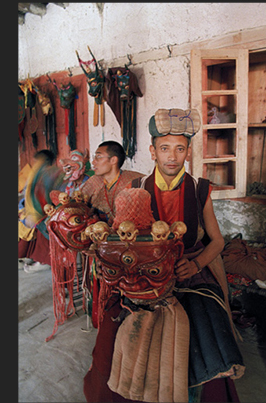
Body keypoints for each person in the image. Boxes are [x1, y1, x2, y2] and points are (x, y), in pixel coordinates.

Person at [83, 109, 244, 402]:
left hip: (190, 271)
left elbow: (217, 242)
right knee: (112, 325)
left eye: (180, 148)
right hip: (143, 276)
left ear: (188, 152)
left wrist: (195, 265)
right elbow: (123, 240)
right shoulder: (135, 188)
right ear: (153, 151)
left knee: (206, 324)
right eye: (165, 148)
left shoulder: (199, 190)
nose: (173, 156)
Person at [18, 149, 63, 272]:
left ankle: (44, 261)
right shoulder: (37, 173)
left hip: (47, 211)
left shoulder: (52, 173)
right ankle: (30, 257)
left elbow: (52, 194)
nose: (36, 163)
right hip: (36, 209)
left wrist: (35, 211)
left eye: (38, 160)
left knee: (40, 227)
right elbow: (29, 193)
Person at [80, 141, 143, 226]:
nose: (93, 162)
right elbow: (79, 208)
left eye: (99, 157)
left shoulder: (135, 180)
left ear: (113, 160)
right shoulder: (93, 182)